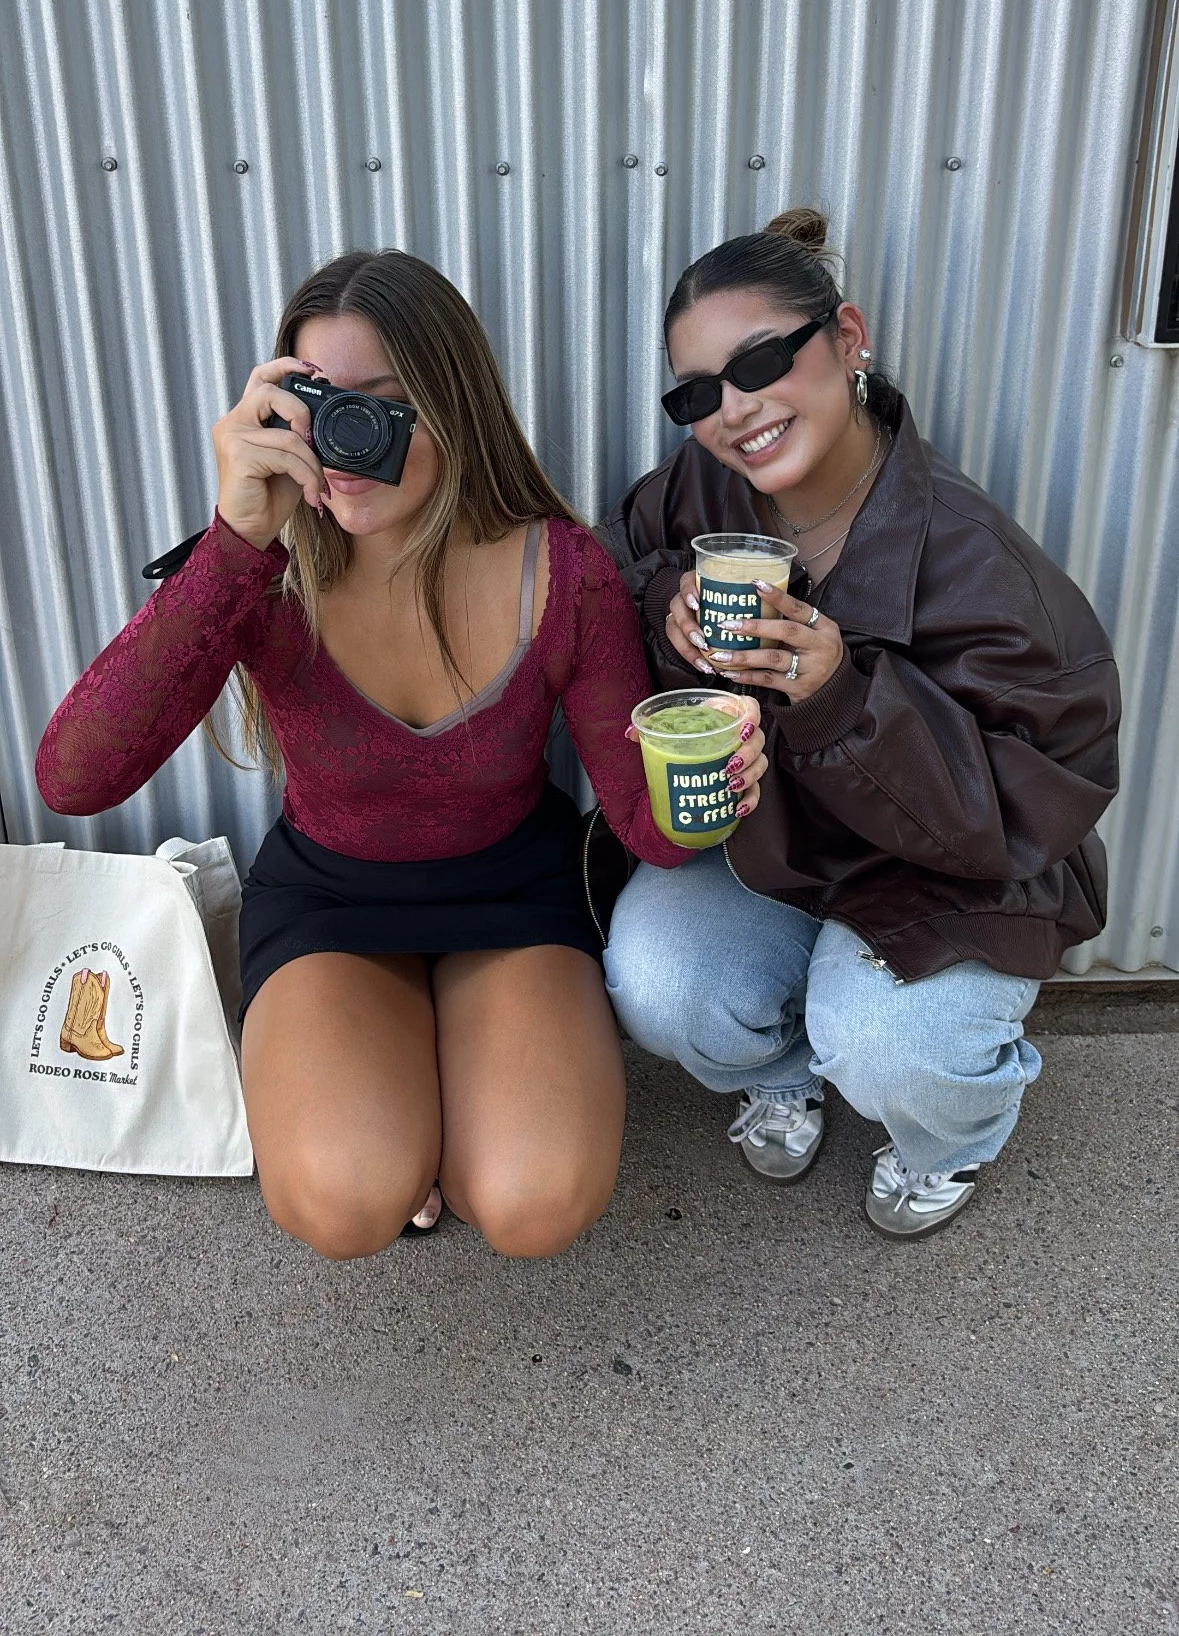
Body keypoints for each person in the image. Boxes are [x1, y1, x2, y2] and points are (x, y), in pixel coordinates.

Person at [36, 250, 766, 1259]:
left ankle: (445, 1122)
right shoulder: (262, 569)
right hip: (332, 902)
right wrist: (234, 538)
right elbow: (75, 777)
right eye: (316, 403)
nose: (346, 442)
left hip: (513, 897)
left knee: (532, 1202)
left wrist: (713, 784)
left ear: (452, 402)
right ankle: (403, 1123)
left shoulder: (563, 570)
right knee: (344, 1203)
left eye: (381, 407)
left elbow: (648, 830)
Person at [600, 210, 1119, 1239]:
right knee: (656, 975)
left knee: (889, 1044)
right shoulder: (705, 487)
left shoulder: (987, 569)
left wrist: (846, 690)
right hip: (778, 845)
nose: (735, 410)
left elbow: (1017, 820)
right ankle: (788, 1068)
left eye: (759, 362)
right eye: (698, 392)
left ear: (847, 335)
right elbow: (618, 559)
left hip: (954, 868)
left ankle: (954, 1132)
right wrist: (661, 592)